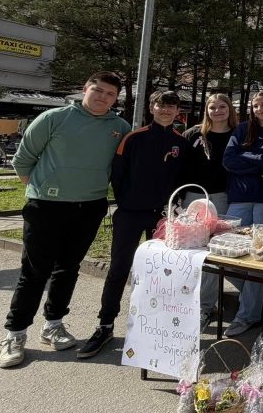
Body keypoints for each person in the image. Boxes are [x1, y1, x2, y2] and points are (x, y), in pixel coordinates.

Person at [0, 72, 130, 368]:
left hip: (91, 207)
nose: (103, 97)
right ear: (85, 88)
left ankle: (53, 325)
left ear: (116, 99)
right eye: (98, 90)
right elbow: (23, 160)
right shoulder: (53, 118)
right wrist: (42, 190)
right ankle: (15, 333)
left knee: (68, 269)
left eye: (110, 94)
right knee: (34, 271)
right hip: (46, 206)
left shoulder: (120, 128)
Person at [77, 90, 190, 359]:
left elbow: (183, 180)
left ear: (177, 112)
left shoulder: (181, 143)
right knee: (119, 269)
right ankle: (105, 325)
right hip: (130, 214)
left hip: (163, 218)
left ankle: (156, 326)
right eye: (161, 105)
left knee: (163, 274)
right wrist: (128, 202)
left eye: (171, 107)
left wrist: (172, 210)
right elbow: (118, 174)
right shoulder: (132, 138)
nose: (166, 110)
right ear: (152, 107)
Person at [221, 91, 263, 337]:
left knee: (258, 259)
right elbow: (228, 161)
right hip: (240, 199)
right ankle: (251, 295)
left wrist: (251, 159)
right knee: (227, 252)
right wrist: (260, 161)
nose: (259, 109)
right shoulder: (242, 130)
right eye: (255, 105)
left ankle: (248, 315)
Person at [182, 93, 237, 326]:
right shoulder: (194, 134)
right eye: (212, 107)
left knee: (214, 253)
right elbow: (179, 165)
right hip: (193, 198)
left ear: (229, 109)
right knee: (192, 250)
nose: (217, 111)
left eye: (222, 106)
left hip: (223, 197)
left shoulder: (238, 133)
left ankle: (206, 306)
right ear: (206, 110)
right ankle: (185, 300)